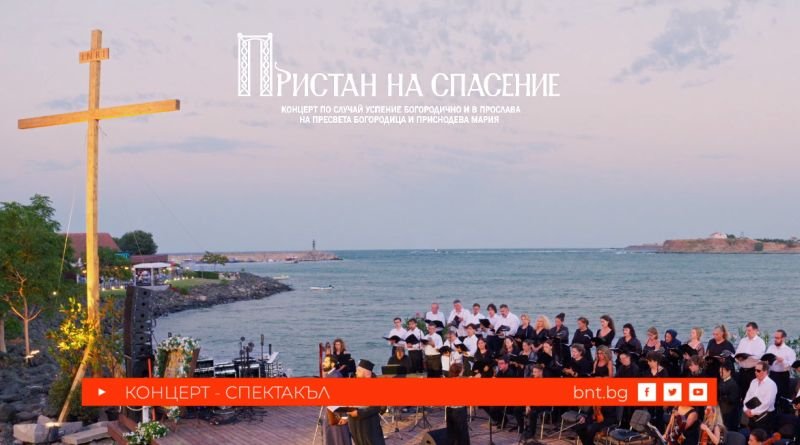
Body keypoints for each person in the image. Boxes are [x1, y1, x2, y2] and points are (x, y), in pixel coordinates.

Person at [348, 360, 386, 445]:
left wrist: (359, 412)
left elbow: (377, 407)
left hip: (369, 425)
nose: (356, 373)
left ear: (367, 374)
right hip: (354, 424)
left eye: (359, 371)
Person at [322, 356, 353, 445]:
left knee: (339, 438)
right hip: (330, 412)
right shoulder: (329, 375)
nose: (323, 363)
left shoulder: (336, 376)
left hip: (337, 414)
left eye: (326, 362)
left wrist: (344, 417)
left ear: (332, 364)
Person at [742, 361, 777, 433]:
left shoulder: (771, 384)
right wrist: (745, 409)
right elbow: (747, 397)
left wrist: (752, 412)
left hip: (765, 417)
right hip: (751, 415)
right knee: (751, 435)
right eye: (755, 370)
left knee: (761, 438)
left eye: (758, 370)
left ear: (765, 371)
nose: (755, 372)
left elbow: (767, 403)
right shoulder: (753, 382)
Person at [736, 322, 767, 395]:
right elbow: (737, 353)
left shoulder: (760, 342)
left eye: (749, 330)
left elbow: (759, 356)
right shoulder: (743, 341)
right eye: (747, 330)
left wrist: (748, 357)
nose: (747, 332)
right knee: (742, 392)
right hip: (742, 370)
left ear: (755, 330)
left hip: (753, 371)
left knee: (752, 392)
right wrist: (738, 358)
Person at [765, 329, 795, 399]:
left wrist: (782, 361)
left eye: (777, 338)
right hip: (772, 374)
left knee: (783, 396)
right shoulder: (771, 348)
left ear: (783, 338)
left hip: (783, 376)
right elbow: (766, 358)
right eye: (775, 338)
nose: (775, 340)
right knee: (771, 395)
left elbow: (791, 365)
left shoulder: (789, 351)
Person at [445, 363, 471, 445]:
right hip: (459, 410)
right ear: (459, 372)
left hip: (449, 409)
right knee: (462, 432)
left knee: (451, 431)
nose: (464, 370)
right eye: (462, 369)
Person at [718, 360, 741, 432]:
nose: (721, 374)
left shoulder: (733, 384)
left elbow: (733, 399)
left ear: (729, 372)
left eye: (722, 372)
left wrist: (722, 397)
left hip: (729, 414)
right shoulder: (721, 381)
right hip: (722, 411)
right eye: (720, 372)